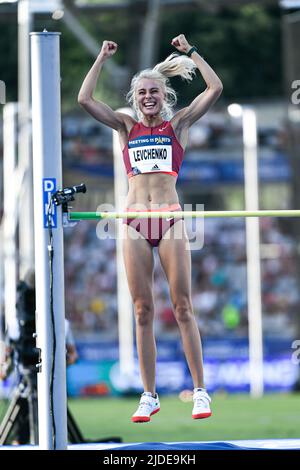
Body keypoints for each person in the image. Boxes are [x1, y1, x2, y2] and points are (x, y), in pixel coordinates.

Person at [78, 33, 223, 423]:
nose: (147, 97)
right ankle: (149, 395)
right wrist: (101, 59)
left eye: (153, 91)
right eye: (141, 92)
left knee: (182, 306)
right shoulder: (125, 127)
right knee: (142, 310)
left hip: (171, 217)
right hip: (134, 222)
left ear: (164, 96)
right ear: (135, 96)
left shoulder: (178, 125)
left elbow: (215, 87)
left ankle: (200, 391)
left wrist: (191, 51)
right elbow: (85, 100)